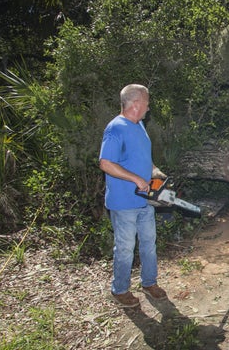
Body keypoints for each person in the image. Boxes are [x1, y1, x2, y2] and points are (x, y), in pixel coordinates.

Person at [99, 84, 167, 307]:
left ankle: (149, 282)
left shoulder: (139, 127)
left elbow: (142, 159)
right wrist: (136, 179)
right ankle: (120, 290)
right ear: (136, 103)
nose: (149, 107)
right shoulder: (115, 128)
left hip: (144, 200)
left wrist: (154, 171)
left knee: (148, 243)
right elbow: (106, 163)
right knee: (126, 248)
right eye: (147, 102)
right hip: (124, 202)